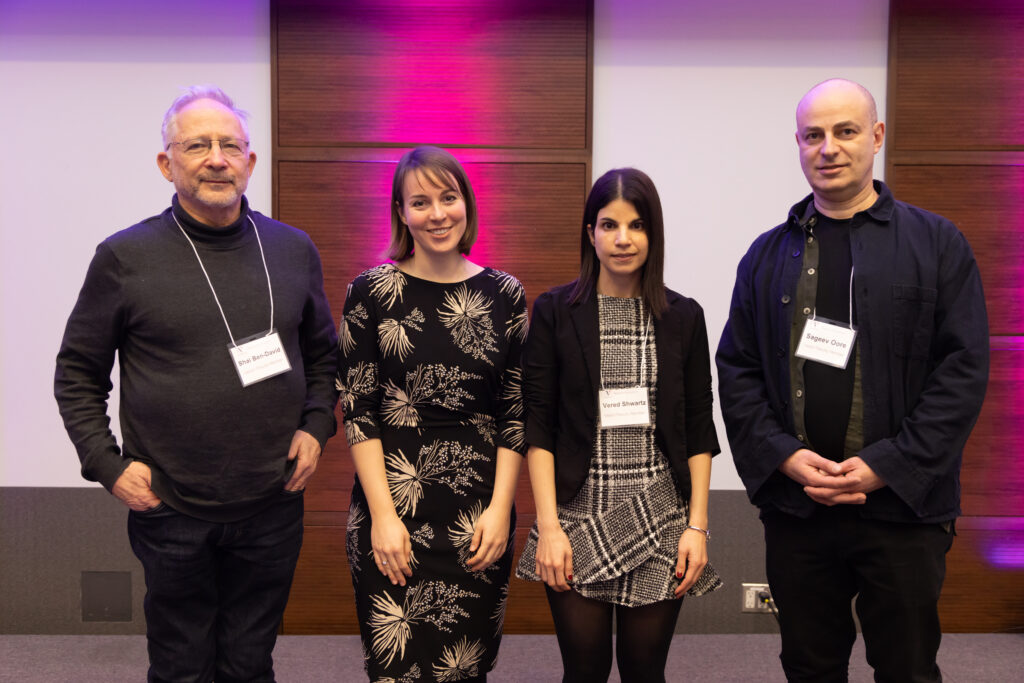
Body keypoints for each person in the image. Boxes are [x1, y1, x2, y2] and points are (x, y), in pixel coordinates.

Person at [54, 85, 339, 682]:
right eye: (197, 145)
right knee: (182, 666)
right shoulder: (124, 257)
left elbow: (323, 358)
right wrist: (107, 466)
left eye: (230, 145)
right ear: (167, 163)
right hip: (169, 505)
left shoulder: (292, 250)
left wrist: (317, 427)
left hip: (272, 502)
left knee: (249, 662)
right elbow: (78, 374)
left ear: (250, 161)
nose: (216, 158)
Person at [716, 78, 989, 682]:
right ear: (798, 143)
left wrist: (888, 463)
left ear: (877, 136)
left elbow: (962, 370)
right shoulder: (765, 257)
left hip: (902, 510)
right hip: (800, 509)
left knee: (908, 667)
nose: (829, 148)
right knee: (810, 666)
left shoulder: (937, 245)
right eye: (814, 135)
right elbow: (737, 371)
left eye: (845, 131)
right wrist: (783, 457)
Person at [515, 168, 722, 683]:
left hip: (661, 515)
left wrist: (697, 527)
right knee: (583, 671)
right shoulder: (557, 312)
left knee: (645, 671)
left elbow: (699, 425)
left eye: (636, 225)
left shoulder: (684, 316)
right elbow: (537, 424)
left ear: (654, 234)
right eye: (609, 225)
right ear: (590, 233)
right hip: (577, 515)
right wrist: (549, 528)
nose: (623, 239)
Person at [337, 145, 527, 682]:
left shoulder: (505, 294)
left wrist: (499, 510)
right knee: (396, 669)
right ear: (401, 212)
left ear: (467, 202)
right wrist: (383, 517)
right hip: (392, 512)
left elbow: (515, 411)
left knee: (466, 669)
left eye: (449, 197)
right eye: (420, 202)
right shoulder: (370, 293)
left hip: (478, 516)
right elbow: (360, 411)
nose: (438, 213)